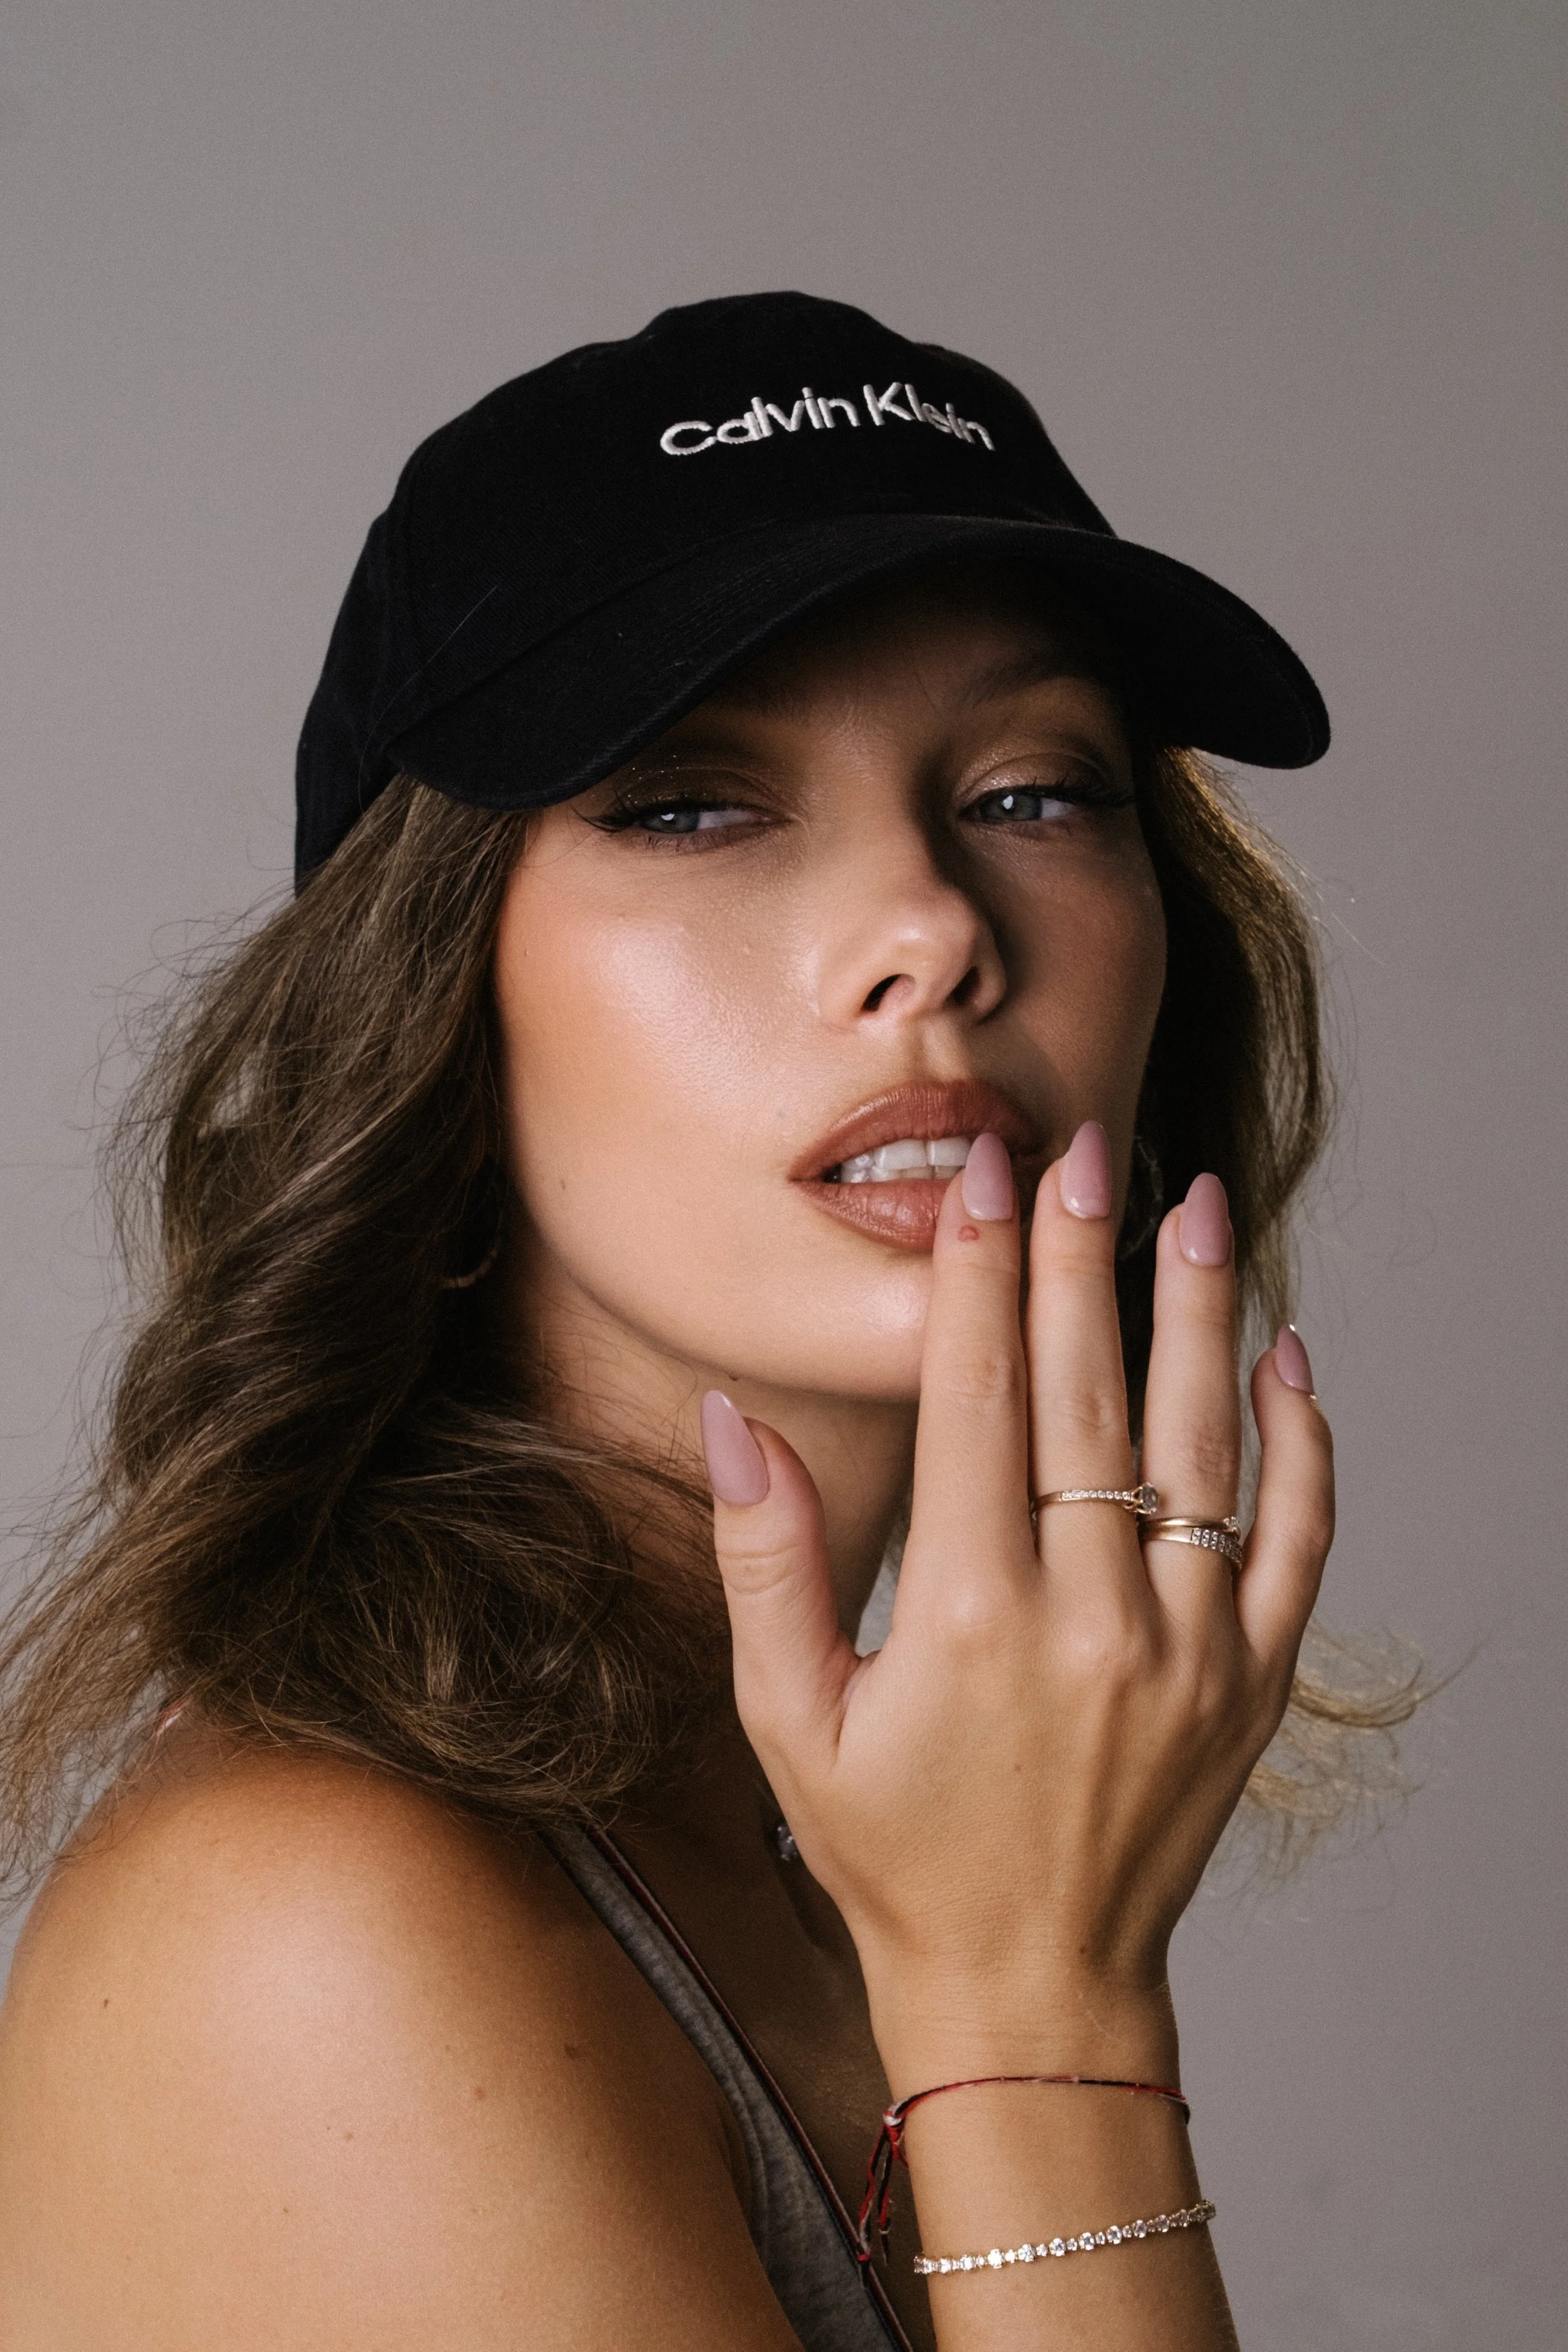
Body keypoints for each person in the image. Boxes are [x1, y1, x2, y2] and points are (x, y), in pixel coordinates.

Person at [0, 293, 1401, 2350]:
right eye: (690, 804)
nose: (931, 921)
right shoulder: (312, 1925)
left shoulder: (832, 1828)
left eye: (1033, 788)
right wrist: (1041, 2016)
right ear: (430, 1018)